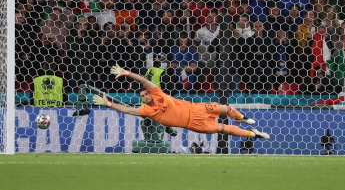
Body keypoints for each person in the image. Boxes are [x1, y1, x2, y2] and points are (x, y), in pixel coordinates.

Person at [92, 64, 270, 140]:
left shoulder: (158, 93)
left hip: (197, 108)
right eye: (143, 96)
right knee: (224, 130)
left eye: (146, 94)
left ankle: (243, 117)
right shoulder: (147, 110)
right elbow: (128, 110)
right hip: (192, 123)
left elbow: (144, 81)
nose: (145, 96)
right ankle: (253, 134)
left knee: (226, 108)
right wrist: (108, 103)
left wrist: (126, 72)